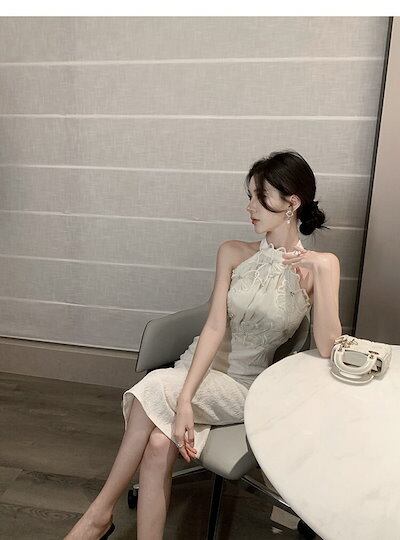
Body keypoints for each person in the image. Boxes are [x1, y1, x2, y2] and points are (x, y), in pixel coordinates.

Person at [64, 149, 341, 540]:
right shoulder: (233, 252)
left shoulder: (322, 265)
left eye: (259, 197)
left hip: (245, 385)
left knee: (151, 389)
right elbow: (212, 328)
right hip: (196, 368)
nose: (249, 207)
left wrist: (322, 273)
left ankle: (98, 516)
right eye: (249, 196)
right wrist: (185, 400)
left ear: (291, 203)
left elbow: (328, 347)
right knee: (158, 444)